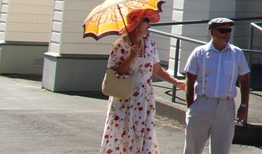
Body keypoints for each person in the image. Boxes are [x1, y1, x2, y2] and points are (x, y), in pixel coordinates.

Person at [100, 8, 186, 153]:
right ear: (135, 23)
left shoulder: (150, 43)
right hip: (124, 97)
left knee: (143, 134)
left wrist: (176, 82)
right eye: (145, 20)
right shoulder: (120, 45)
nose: (149, 23)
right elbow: (115, 72)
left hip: (144, 98)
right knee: (123, 133)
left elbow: (157, 70)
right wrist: (131, 56)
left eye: (149, 20)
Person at [183, 17, 251, 154]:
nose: (227, 34)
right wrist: (191, 106)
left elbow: (244, 80)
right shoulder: (199, 53)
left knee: (222, 150)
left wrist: (244, 105)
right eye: (223, 30)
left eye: (229, 30)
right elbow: (189, 80)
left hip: (226, 106)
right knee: (192, 149)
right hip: (202, 103)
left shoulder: (236, 53)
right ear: (212, 32)